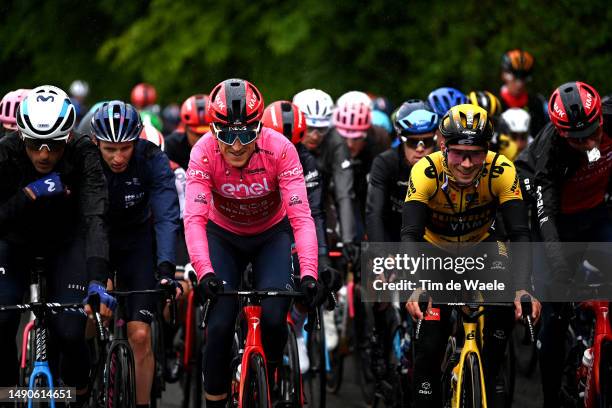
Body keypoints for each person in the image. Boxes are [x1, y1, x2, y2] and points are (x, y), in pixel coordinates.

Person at [184, 78, 320, 408]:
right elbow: (194, 219)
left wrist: (309, 274)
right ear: (213, 129)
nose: (236, 144)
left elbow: (301, 218)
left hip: (270, 236)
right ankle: (216, 399)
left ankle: (270, 375)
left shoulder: (281, 150)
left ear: (259, 127)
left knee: (275, 318)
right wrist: (204, 273)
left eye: (246, 133)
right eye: (226, 134)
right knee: (217, 327)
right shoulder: (203, 152)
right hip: (223, 237)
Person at [401, 104, 541, 406]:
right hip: (433, 253)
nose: (466, 163)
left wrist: (522, 287)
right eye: (458, 153)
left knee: (502, 317)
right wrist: (415, 283)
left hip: (483, 248)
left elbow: (518, 233)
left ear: (487, 149)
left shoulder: (503, 169)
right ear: (442, 146)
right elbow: (410, 234)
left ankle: (491, 375)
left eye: (476, 153)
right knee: (429, 349)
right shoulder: (425, 171)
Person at [0, 86, 113, 407]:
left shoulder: (83, 152)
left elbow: (95, 217)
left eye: (54, 146)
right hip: (16, 243)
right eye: (35, 145)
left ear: (68, 137)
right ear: (22, 137)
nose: (44, 154)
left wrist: (97, 277)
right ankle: (7, 395)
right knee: (2, 322)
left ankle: (77, 393)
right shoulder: (6, 152)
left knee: (70, 331)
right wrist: (27, 194)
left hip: (66, 243)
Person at [514, 81, 611, 408]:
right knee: (554, 314)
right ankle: (551, 397)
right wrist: (559, 272)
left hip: (599, 212)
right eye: (578, 139)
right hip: (560, 224)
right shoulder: (550, 153)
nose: (589, 143)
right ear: (562, 134)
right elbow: (547, 221)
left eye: (594, 132)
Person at [90, 100, 181, 407]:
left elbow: (167, 216)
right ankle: (84, 377)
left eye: (125, 148)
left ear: (137, 140)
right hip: (95, 238)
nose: (117, 157)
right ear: (95, 142)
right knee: (86, 317)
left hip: (136, 242)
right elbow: (85, 222)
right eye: (109, 149)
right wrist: (96, 275)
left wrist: (166, 269)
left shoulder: (152, 159)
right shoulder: (86, 161)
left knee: (140, 336)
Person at [293, 88, 359, 261]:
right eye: (310, 128)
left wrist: (347, 239)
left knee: (329, 239)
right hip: (288, 197)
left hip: (321, 198)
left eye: (321, 129)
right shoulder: (284, 136)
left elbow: (344, 192)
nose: (315, 136)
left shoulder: (336, 142)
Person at [366, 99, 438, 243]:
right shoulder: (384, 163)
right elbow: (375, 214)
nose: (420, 149)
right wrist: (382, 253)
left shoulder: (444, 163)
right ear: (401, 139)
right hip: (393, 236)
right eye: (413, 142)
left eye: (427, 142)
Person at [332, 97, 390, 237]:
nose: (350, 144)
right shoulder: (330, 140)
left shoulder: (379, 139)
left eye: (356, 138)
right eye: (344, 137)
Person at [499, 49, 548, 135]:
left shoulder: (537, 103)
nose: (519, 84)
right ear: (503, 75)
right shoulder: (495, 104)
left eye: (523, 78)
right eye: (514, 77)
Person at [165, 94, 210, 170]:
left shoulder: (226, 146)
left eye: (206, 134)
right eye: (197, 134)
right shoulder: (171, 145)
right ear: (185, 128)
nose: (203, 139)